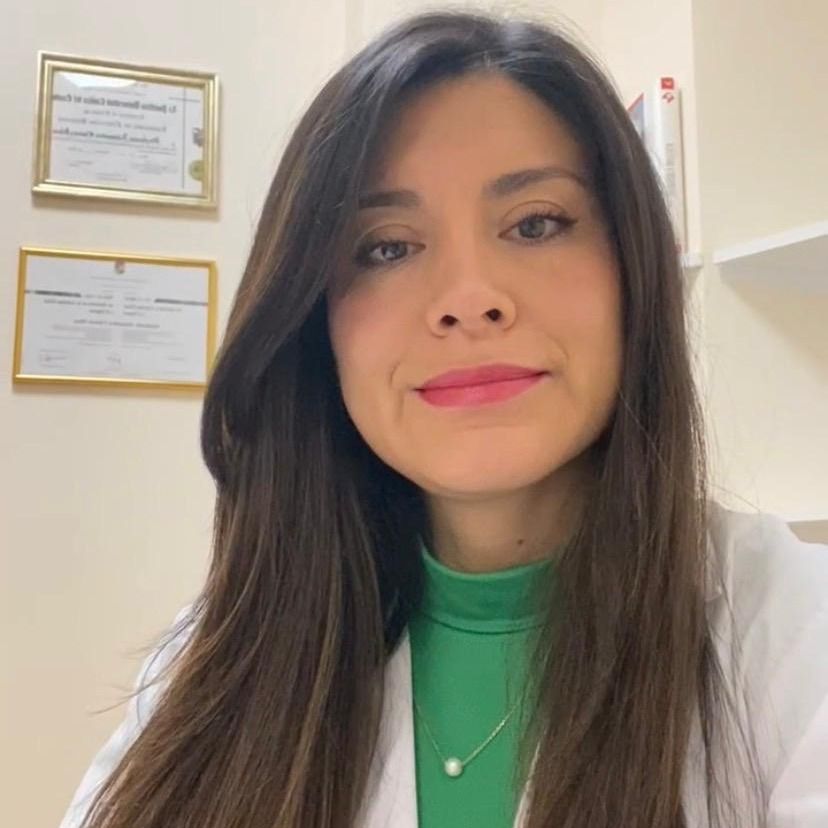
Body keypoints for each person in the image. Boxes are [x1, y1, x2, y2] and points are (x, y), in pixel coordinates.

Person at [58, 9, 828, 828]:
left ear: (633, 271)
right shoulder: (223, 659)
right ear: (315, 323)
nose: (468, 299)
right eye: (387, 247)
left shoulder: (792, 630)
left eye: (536, 223)